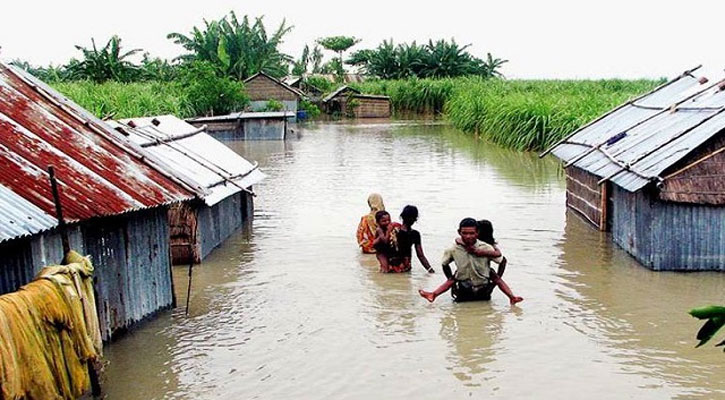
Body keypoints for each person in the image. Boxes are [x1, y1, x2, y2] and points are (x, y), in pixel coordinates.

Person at [419, 218, 523, 305]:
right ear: (459, 232)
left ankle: (512, 297)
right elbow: (445, 264)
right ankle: (433, 294)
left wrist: (493, 283)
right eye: (465, 233)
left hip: (483, 289)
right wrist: (453, 284)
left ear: (477, 233)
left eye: (471, 233)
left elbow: (502, 260)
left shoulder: (486, 247)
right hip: (464, 289)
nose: (468, 236)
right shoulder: (453, 249)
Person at [389, 205, 435, 273]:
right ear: (415, 219)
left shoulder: (393, 230)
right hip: (405, 267)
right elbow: (420, 255)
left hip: (391, 266)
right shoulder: (415, 234)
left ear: (402, 216)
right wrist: (430, 270)